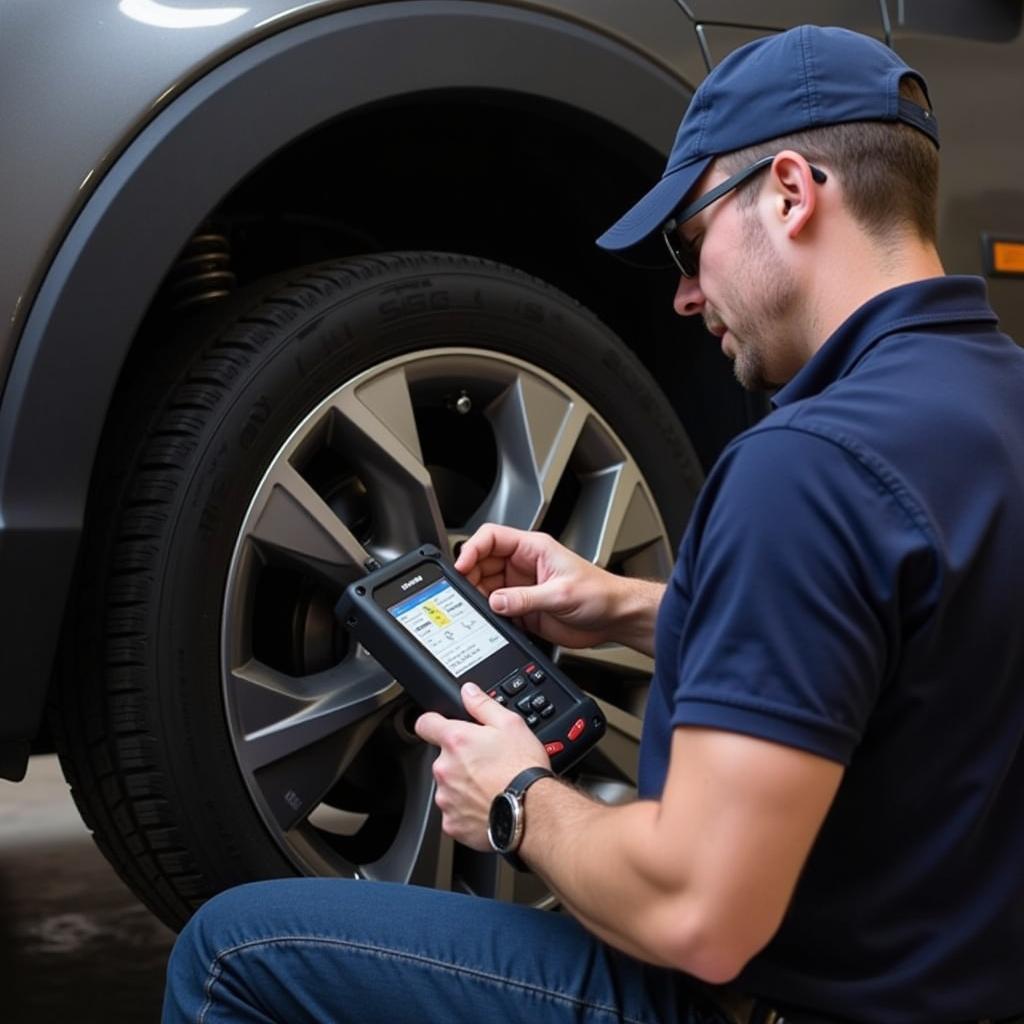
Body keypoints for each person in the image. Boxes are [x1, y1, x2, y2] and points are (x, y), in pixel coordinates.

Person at [162, 25, 1024, 1024]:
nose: (684, 290)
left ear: (790, 191)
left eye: (687, 238)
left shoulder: (805, 469)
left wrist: (518, 799)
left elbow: (701, 913)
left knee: (232, 953)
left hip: (779, 998)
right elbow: (924, 633)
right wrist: (636, 607)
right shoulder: (991, 403)